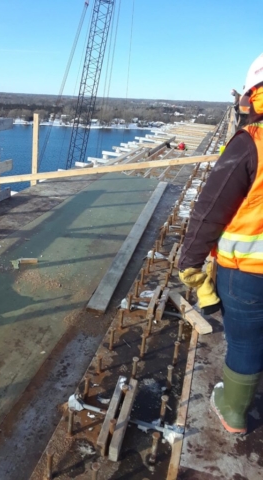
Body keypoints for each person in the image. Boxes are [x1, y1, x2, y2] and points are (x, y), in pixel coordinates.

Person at [178, 52, 263, 435]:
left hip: (247, 273)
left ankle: (233, 411)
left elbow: (210, 208)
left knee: (245, 341)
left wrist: (190, 261)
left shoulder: (250, 144)